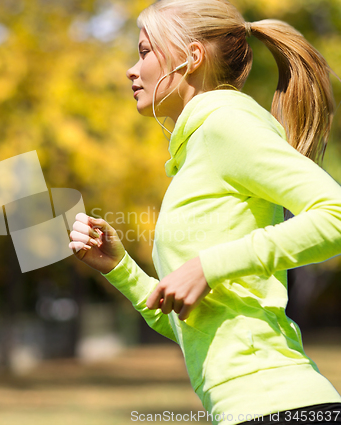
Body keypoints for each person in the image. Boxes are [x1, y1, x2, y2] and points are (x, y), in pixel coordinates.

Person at [68, 0, 341, 424]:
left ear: (191, 58)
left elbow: (335, 215)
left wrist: (209, 267)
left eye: (144, 51)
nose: (131, 69)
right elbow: (191, 324)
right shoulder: (196, 150)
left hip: (279, 404)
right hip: (244, 410)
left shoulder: (226, 126)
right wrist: (120, 267)